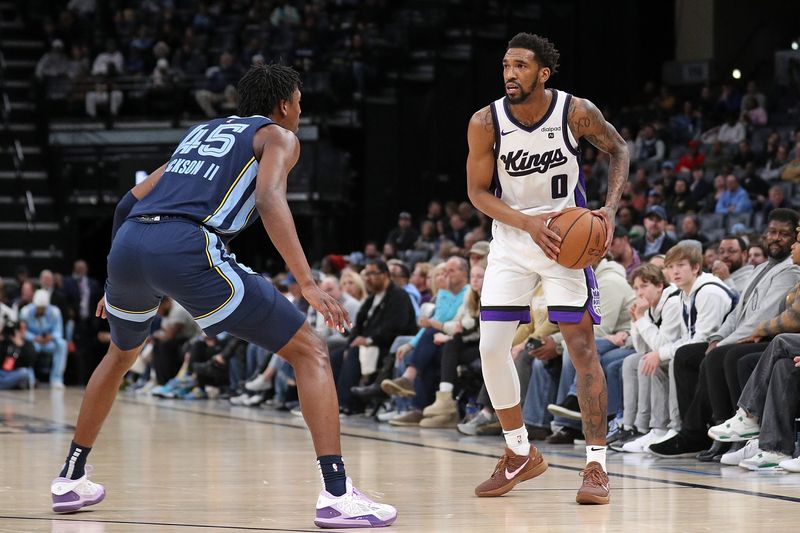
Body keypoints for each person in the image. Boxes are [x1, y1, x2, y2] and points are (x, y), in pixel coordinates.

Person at [49, 64, 397, 528]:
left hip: (129, 244)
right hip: (187, 245)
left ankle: (71, 478)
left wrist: (116, 278)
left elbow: (127, 203)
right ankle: (337, 494)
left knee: (119, 355)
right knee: (310, 351)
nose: (299, 110)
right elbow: (271, 200)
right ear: (283, 105)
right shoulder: (278, 136)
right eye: (298, 102)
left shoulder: (201, 132)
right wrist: (307, 283)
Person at [465, 33, 628, 504]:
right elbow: (478, 193)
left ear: (543, 73)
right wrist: (527, 224)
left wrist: (610, 209)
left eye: (520, 65)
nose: (510, 73)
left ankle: (596, 465)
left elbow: (618, 149)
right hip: (514, 242)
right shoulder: (484, 122)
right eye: (505, 65)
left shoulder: (575, 112)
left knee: (581, 349)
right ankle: (519, 452)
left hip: (567, 245)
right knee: (493, 348)